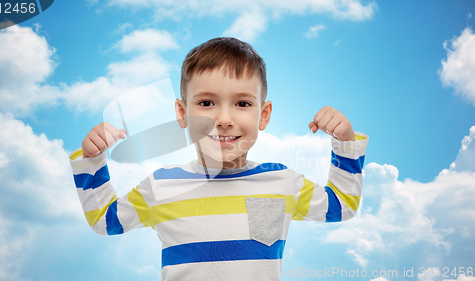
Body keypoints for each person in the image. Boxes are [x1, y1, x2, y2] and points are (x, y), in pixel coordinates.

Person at [69, 37, 368, 281]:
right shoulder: (161, 185)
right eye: (207, 103)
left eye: (242, 103)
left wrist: (344, 143)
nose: (223, 119)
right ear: (182, 113)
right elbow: (105, 221)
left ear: (263, 115)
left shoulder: (281, 182)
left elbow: (341, 206)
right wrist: (93, 160)